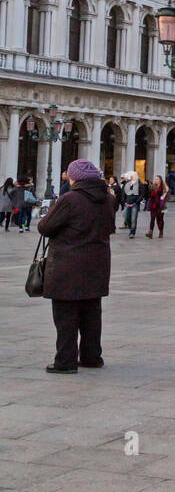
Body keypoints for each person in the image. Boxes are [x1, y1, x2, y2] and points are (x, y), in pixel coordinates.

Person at [37, 158, 115, 373]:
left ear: (75, 178)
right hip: (97, 265)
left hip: (68, 266)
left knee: (65, 316)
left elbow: (45, 227)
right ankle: (92, 357)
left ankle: (65, 361)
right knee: (91, 314)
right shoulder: (108, 199)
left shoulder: (69, 199)